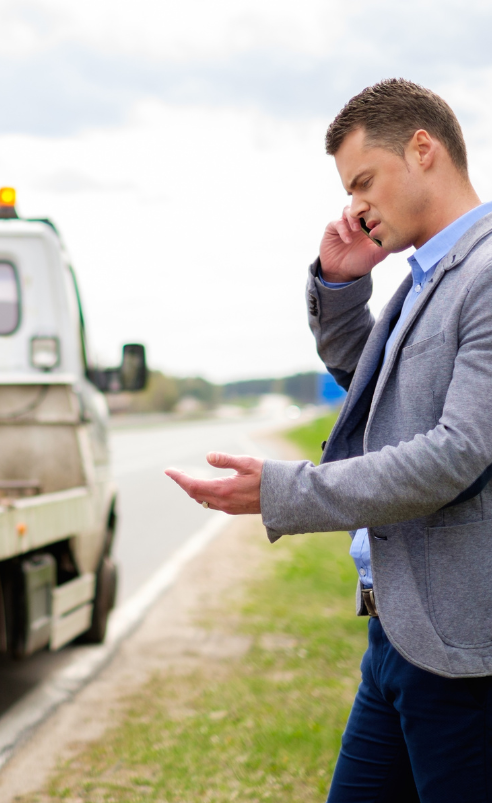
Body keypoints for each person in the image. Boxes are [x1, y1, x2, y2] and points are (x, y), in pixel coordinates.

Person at [165, 78, 492, 801]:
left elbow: (456, 453)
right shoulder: (425, 275)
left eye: (364, 182)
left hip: (463, 654)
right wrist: (342, 288)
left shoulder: (488, 272)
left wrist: (285, 491)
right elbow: (385, 397)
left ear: (423, 148)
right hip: (396, 635)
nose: (356, 207)